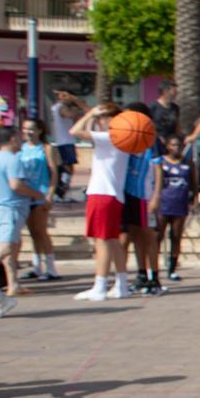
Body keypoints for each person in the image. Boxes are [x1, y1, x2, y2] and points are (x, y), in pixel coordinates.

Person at [70, 101, 130, 301]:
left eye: (103, 116)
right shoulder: (121, 138)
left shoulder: (110, 137)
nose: (100, 120)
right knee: (112, 240)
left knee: (101, 241)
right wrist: (93, 117)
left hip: (102, 194)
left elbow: (75, 131)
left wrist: (90, 114)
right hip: (112, 195)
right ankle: (121, 284)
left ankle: (100, 285)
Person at [0, 123, 43, 318]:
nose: (21, 139)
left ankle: (13, 283)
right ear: (11, 139)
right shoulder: (12, 159)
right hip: (10, 208)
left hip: (2, 208)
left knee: (12, 246)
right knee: (3, 247)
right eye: (18, 136)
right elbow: (16, 184)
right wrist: (37, 194)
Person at [119, 105, 162, 294]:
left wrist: (156, 197)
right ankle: (141, 274)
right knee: (134, 236)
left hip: (145, 195)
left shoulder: (152, 141)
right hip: (128, 195)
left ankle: (155, 277)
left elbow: (159, 169)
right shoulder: (125, 139)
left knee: (149, 237)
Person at [17, 118, 60, 282]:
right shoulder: (21, 148)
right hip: (26, 195)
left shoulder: (46, 148)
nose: (27, 132)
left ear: (40, 130)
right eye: (25, 128)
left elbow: (53, 172)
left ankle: (51, 268)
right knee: (33, 233)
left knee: (41, 231)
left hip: (41, 194)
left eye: (31, 129)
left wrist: (50, 193)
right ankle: (36, 267)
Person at [150, 133, 195, 282]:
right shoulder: (161, 162)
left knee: (176, 237)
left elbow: (193, 182)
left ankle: (172, 269)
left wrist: (194, 198)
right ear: (168, 146)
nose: (176, 148)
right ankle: (153, 268)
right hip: (164, 203)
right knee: (157, 236)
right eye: (173, 145)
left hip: (180, 204)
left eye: (179, 145)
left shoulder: (188, 163)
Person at [47, 88, 83, 200]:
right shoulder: (61, 107)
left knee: (67, 167)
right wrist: (79, 110)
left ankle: (62, 191)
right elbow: (70, 115)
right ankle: (61, 191)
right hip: (65, 141)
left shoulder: (55, 107)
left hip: (64, 140)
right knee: (67, 168)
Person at [149, 80, 181, 148]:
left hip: (171, 145)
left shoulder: (175, 108)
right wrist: (159, 137)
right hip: (157, 144)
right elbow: (149, 125)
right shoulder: (153, 107)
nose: (176, 93)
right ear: (165, 91)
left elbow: (177, 125)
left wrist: (178, 138)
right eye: (174, 91)